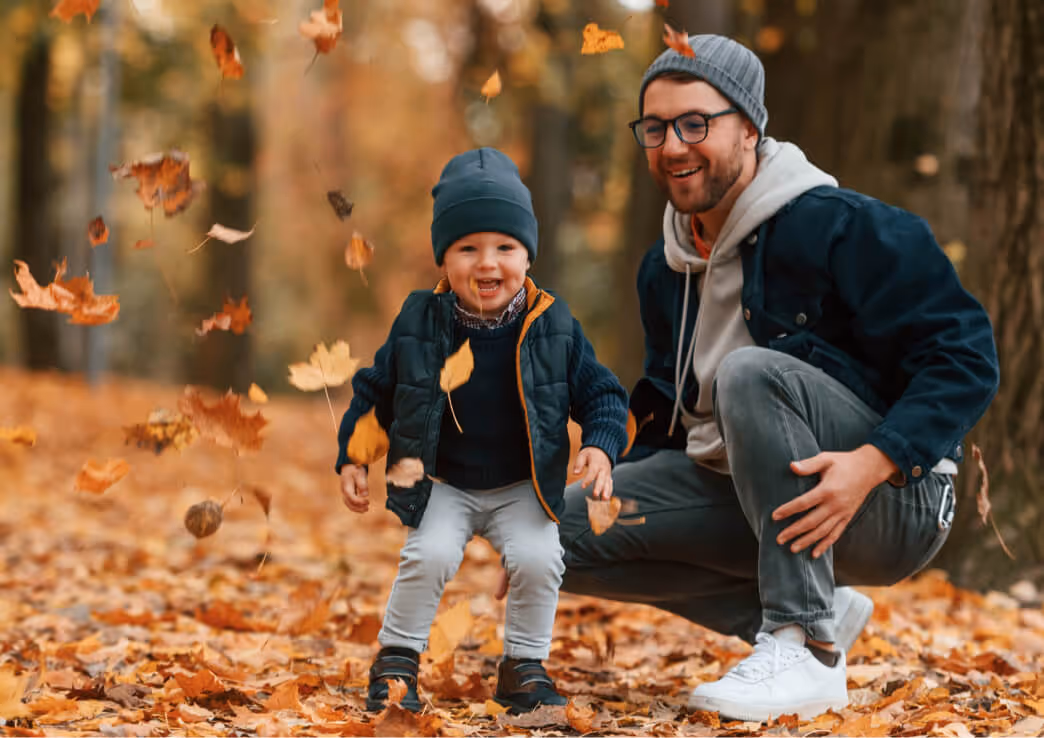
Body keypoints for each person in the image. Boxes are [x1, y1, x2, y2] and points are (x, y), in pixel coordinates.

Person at [553, 34, 1000, 722]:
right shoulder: (664, 269)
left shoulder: (842, 227)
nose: (673, 145)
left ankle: (802, 645)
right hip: (749, 495)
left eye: (696, 123)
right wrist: (601, 482)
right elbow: (671, 411)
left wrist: (874, 462)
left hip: (891, 499)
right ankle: (823, 615)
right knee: (550, 533)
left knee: (750, 373)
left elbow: (967, 354)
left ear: (751, 128)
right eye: (655, 127)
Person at [336, 147, 629, 715]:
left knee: (541, 558)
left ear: (527, 254)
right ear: (443, 259)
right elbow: (375, 389)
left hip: (523, 484)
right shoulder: (420, 320)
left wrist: (600, 445)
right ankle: (397, 660)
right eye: (467, 248)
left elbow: (602, 394)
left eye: (505, 248)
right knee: (429, 554)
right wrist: (353, 455)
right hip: (444, 479)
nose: (487, 263)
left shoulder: (553, 324)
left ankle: (523, 667)